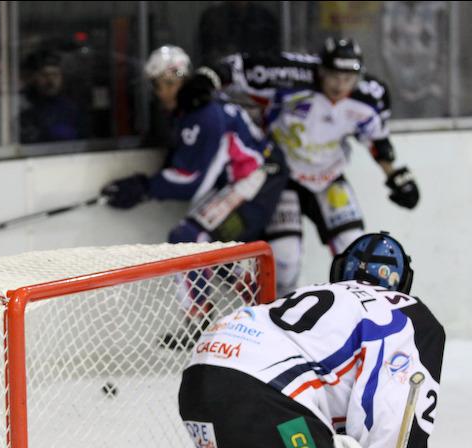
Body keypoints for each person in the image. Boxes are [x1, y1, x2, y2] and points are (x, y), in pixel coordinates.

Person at [179, 232, 445, 448]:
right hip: (265, 395)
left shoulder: (310, 294)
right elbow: (391, 412)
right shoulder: (403, 310)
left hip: (199, 382)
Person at [180, 38, 422, 296]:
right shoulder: (291, 76)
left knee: (354, 247)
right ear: (321, 70)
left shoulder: (370, 95)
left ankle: (359, 311)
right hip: (284, 178)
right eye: (334, 76)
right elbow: (239, 67)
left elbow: (376, 140)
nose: (340, 85)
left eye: (348, 78)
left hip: (329, 176)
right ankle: (281, 314)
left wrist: (395, 175)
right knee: (285, 259)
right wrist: (209, 77)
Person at [100, 45, 289, 346]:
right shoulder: (195, 108)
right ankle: (265, 309)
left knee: (188, 238)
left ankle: (199, 321)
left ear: (178, 80)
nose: (160, 93)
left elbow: (192, 179)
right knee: (213, 249)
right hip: (254, 179)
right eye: (157, 85)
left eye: (164, 84)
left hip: (256, 182)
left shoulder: (203, 113)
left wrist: (144, 187)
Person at [20, 49, 86, 143]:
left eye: (55, 75)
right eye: (44, 75)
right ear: (34, 78)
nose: (50, 81)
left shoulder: (72, 108)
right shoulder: (25, 107)